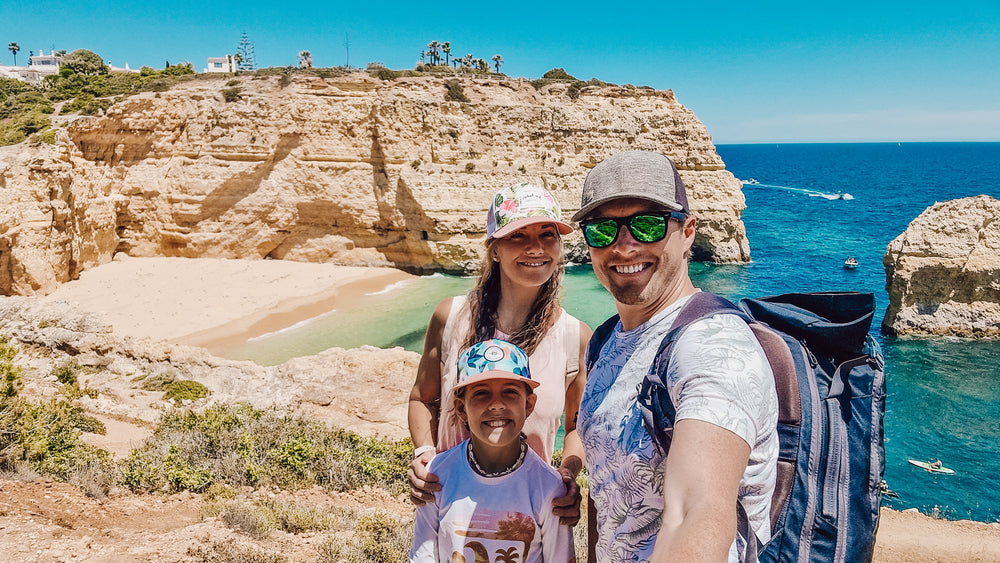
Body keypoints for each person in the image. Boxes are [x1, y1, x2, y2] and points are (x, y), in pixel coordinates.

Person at [573, 151, 778, 562]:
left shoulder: (714, 348)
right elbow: (609, 494)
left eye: (647, 225)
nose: (624, 246)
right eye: (601, 231)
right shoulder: (606, 339)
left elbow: (694, 513)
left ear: (688, 233)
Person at [407, 182, 592, 525]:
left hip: (530, 516)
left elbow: (577, 424)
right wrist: (424, 454)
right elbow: (422, 397)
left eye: (547, 235)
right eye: (518, 236)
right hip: (450, 510)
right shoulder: (451, 319)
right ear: (494, 249)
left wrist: (568, 472)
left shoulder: (574, 337)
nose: (535, 248)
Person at [410, 339, 575, 562]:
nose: (496, 404)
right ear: (461, 408)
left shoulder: (548, 487)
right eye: (481, 393)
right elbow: (423, 556)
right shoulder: (437, 476)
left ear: (528, 404)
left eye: (509, 392)